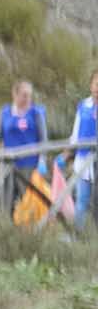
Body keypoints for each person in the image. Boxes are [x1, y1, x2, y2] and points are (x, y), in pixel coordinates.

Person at [70, 69, 98, 229]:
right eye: (96, 83)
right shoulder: (83, 106)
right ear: (90, 85)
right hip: (83, 161)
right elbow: (75, 134)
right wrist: (66, 154)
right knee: (81, 200)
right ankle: (78, 236)